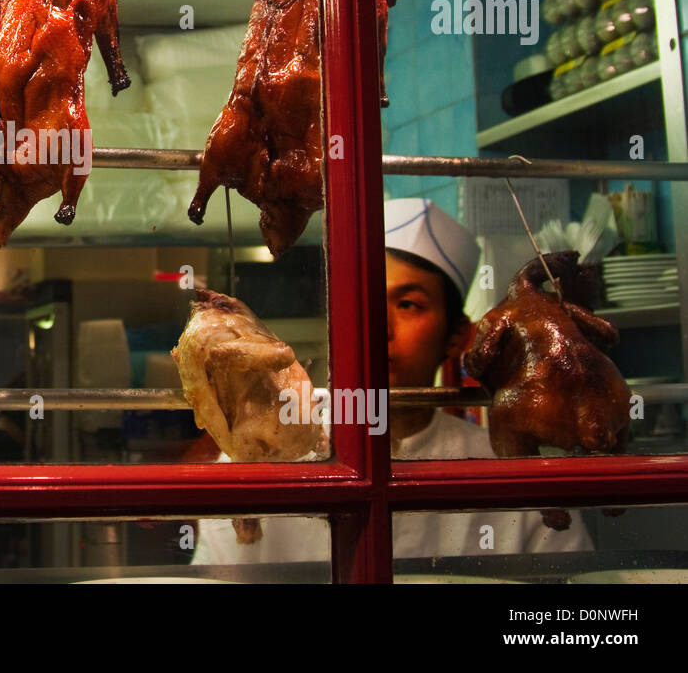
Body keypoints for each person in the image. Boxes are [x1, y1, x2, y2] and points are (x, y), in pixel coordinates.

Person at [192, 198, 593, 565]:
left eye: (408, 304)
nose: (377, 325)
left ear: (457, 336)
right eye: (364, 299)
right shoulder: (264, 454)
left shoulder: (509, 476)